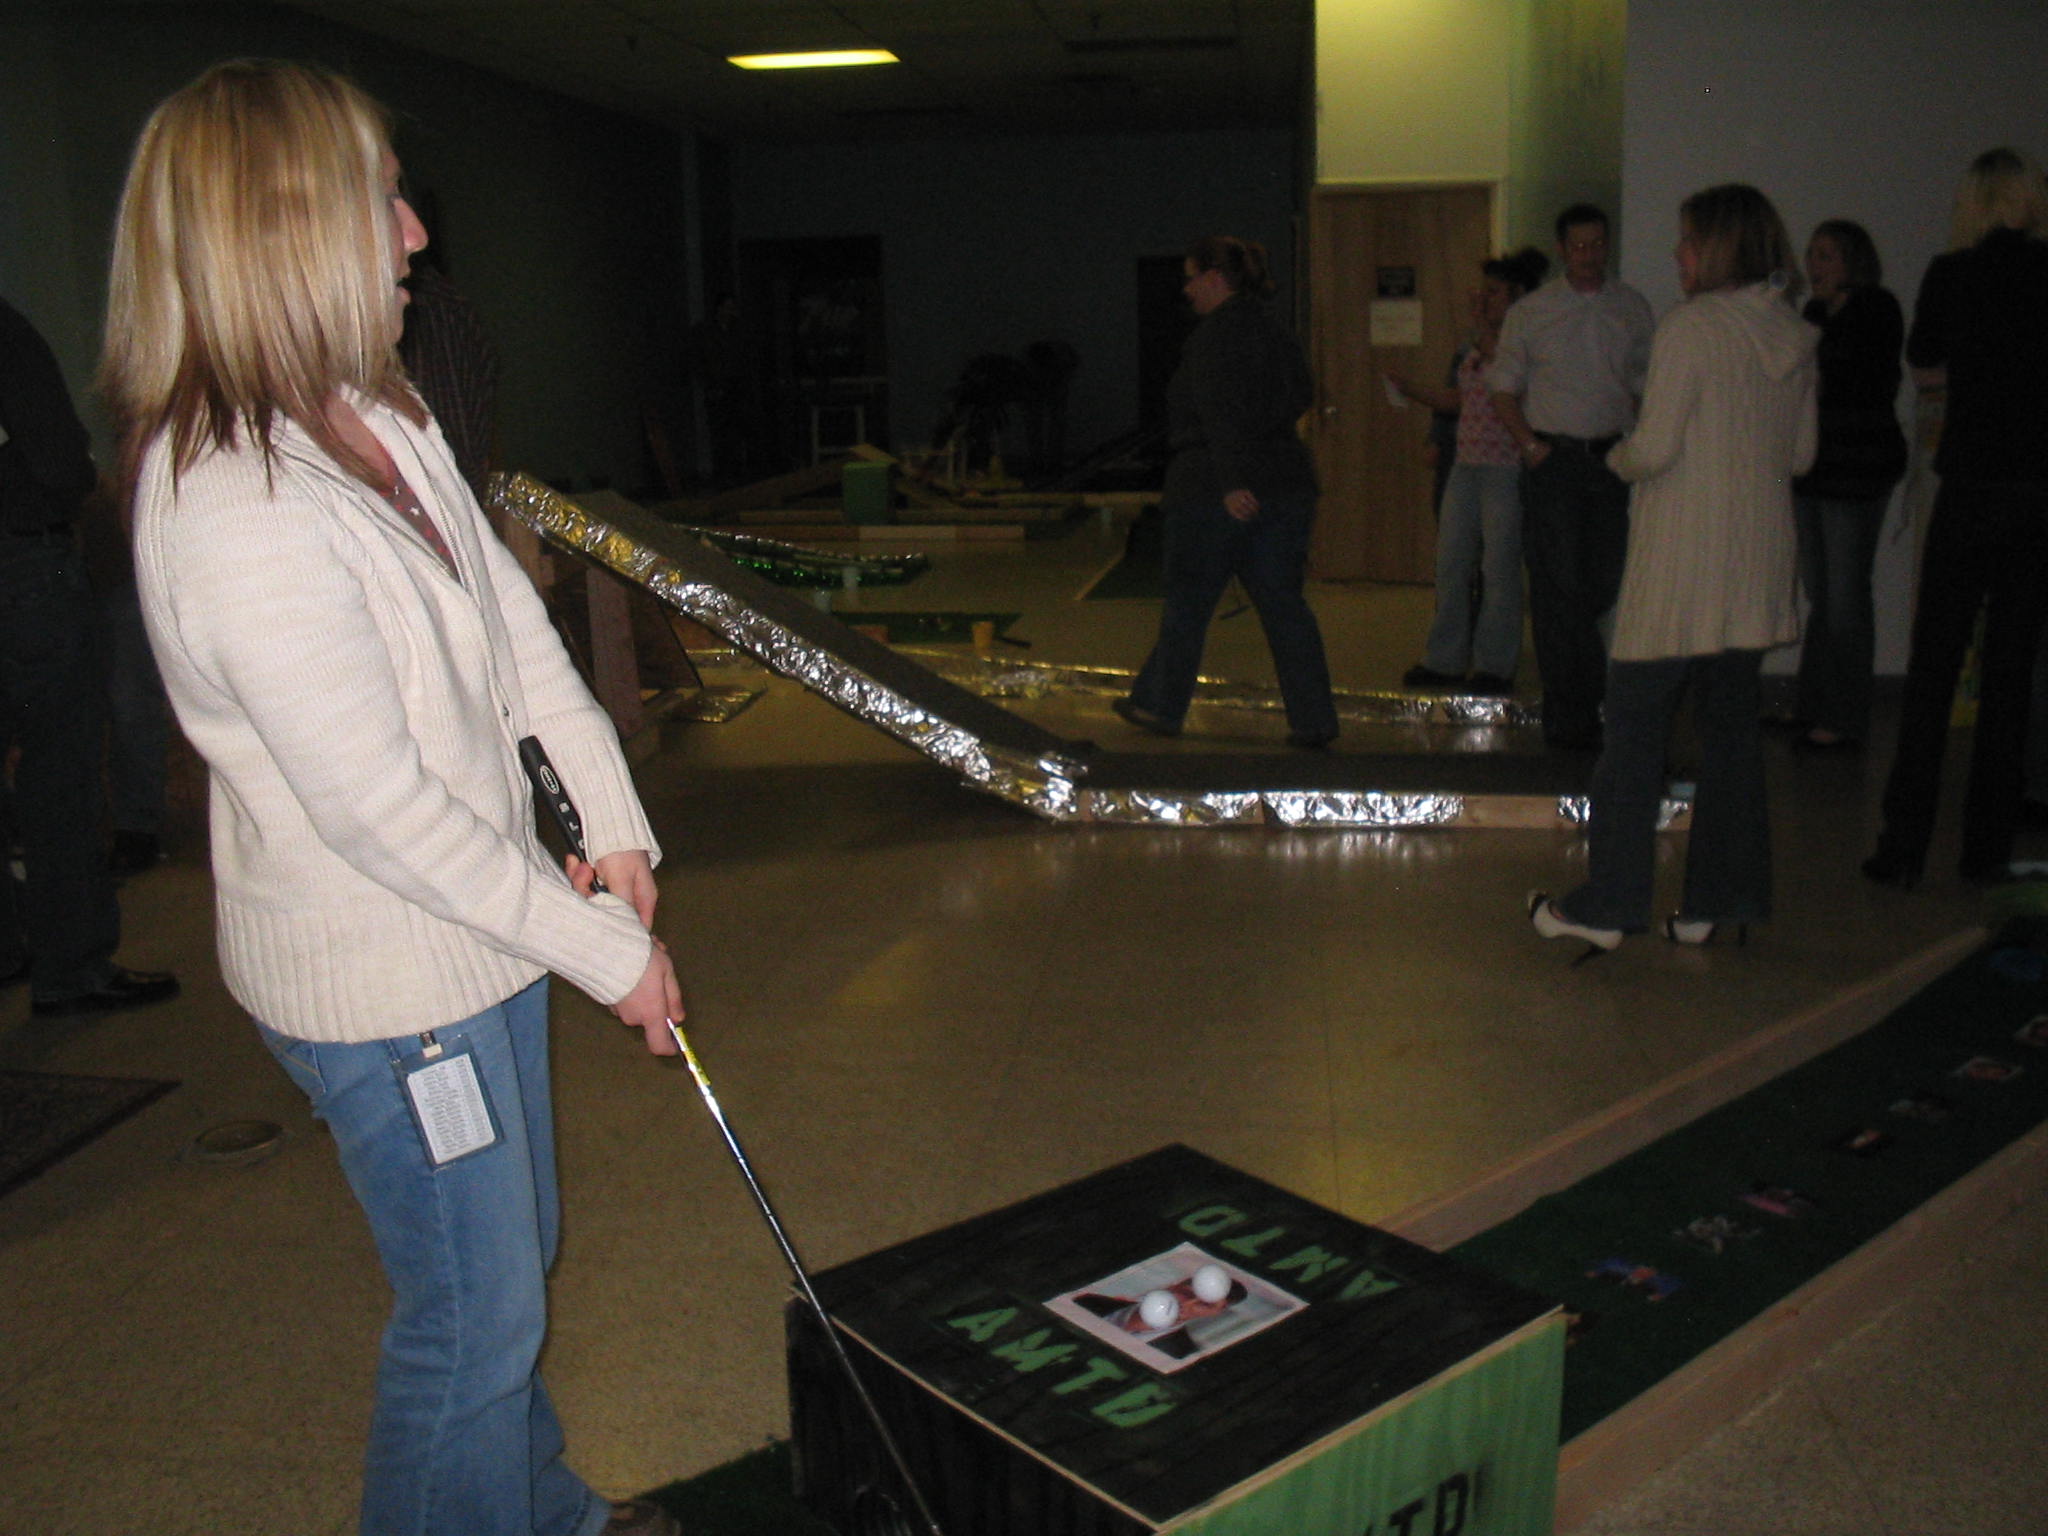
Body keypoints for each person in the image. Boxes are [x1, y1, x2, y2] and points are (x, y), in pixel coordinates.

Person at [104, 60, 685, 1536]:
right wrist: (607, 953)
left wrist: (610, 823)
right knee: (471, 1321)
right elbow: (380, 814)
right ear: (284, 229)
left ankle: (539, 1510)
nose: (418, 233)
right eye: (384, 200)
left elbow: (512, 635)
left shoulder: (380, 411)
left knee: (511, 1269)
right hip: (385, 984)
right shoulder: (230, 506)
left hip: (478, 933)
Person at [1529, 184, 1817, 953]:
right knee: (1731, 738)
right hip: (1755, 564)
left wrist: (1615, 459)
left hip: (1684, 563)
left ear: (1718, 247)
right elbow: (1801, 455)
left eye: (1688, 240)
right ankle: (1722, 902)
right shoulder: (1793, 333)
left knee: (1631, 735)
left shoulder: (1692, 327)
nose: (1677, 253)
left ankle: (1610, 905)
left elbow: (1653, 449)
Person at [1864, 148, 2048, 887]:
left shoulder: (1953, 273)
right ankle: (1986, 849)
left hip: (1970, 481)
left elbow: (1925, 366)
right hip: (2037, 491)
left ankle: (1903, 847)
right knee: (2011, 674)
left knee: (1934, 669)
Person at [0, 293, 178, 1014]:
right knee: (59, 775)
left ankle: (8, 946)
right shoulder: (5, 333)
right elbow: (58, 460)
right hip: (24, 567)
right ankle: (72, 968)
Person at [1113, 235, 1339, 748]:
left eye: (1192, 278)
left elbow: (1218, 411)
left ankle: (1159, 705)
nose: (1187, 289)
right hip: (1286, 483)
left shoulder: (1213, 337)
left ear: (1215, 279)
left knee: (1188, 604)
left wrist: (1234, 481)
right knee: (1284, 605)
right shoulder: (1276, 331)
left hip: (1212, 487)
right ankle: (1314, 719)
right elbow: (1301, 394)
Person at [1489, 205, 1656, 751]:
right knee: (1560, 585)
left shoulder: (1630, 307)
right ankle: (1571, 713)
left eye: (1597, 244)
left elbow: (1644, 382)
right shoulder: (1533, 312)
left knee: (1602, 582)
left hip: (1609, 459)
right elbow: (1502, 387)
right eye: (1579, 245)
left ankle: (1587, 698)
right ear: (1562, 249)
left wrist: (1641, 441)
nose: (1589, 254)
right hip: (1554, 459)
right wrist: (1529, 445)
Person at [1388, 246, 1550, 694]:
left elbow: (1515, 392)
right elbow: (1459, 400)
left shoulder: (1525, 345)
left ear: (1516, 297)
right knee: (1451, 563)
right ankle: (1444, 660)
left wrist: (1488, 340)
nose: (1483, 300)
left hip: (1505, 468)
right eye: (1484, 291)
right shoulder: (1471, 347)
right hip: (1466, 464)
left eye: (1494, 293)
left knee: (1499, 569)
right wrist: (1412, 389)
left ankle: (1494, 666)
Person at [1775, 220, 1907, 751]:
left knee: (1845, 597)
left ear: (1853, 260)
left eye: (1826, 255)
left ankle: (1844, 716)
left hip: (1857, 469)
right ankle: (1813, 706)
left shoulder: (1877, 308)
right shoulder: (1812, 313)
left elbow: (1855, 379)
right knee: (1821, 594)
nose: (1815, 265)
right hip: (1814, 469)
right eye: (1812, 254)